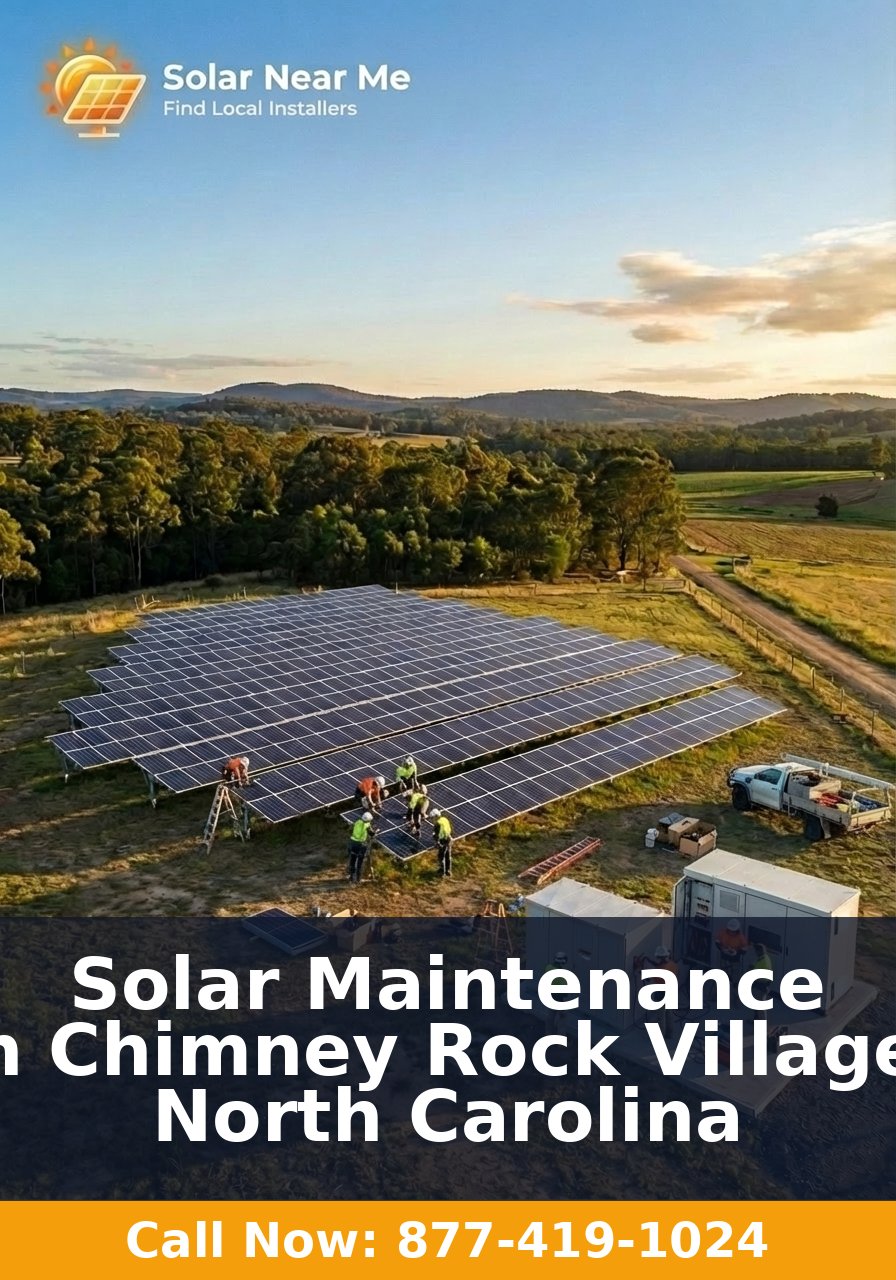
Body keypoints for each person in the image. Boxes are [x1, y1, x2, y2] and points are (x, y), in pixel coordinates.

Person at [347, 812, 374, 884]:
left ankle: (351, 877)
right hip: (361, 844)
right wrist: (375, 832)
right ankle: (358, 879)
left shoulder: (357, 822)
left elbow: (351, 830)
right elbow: (371, 833)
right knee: (360, 862)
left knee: (352, 860)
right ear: (368, 820)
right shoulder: (367, 825)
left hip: (352, 843)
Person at [430, 809, 453, 877]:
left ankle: (442, 872)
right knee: (448, 856)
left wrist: (437, 843)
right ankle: (448, 871)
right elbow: (449, 828)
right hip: (449, 839)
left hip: (443, 841)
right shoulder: (444, 819)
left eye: (432, 818)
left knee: (441, 856)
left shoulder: (437, 824)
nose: (432, 819)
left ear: (436, 816)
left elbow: (436, 835)